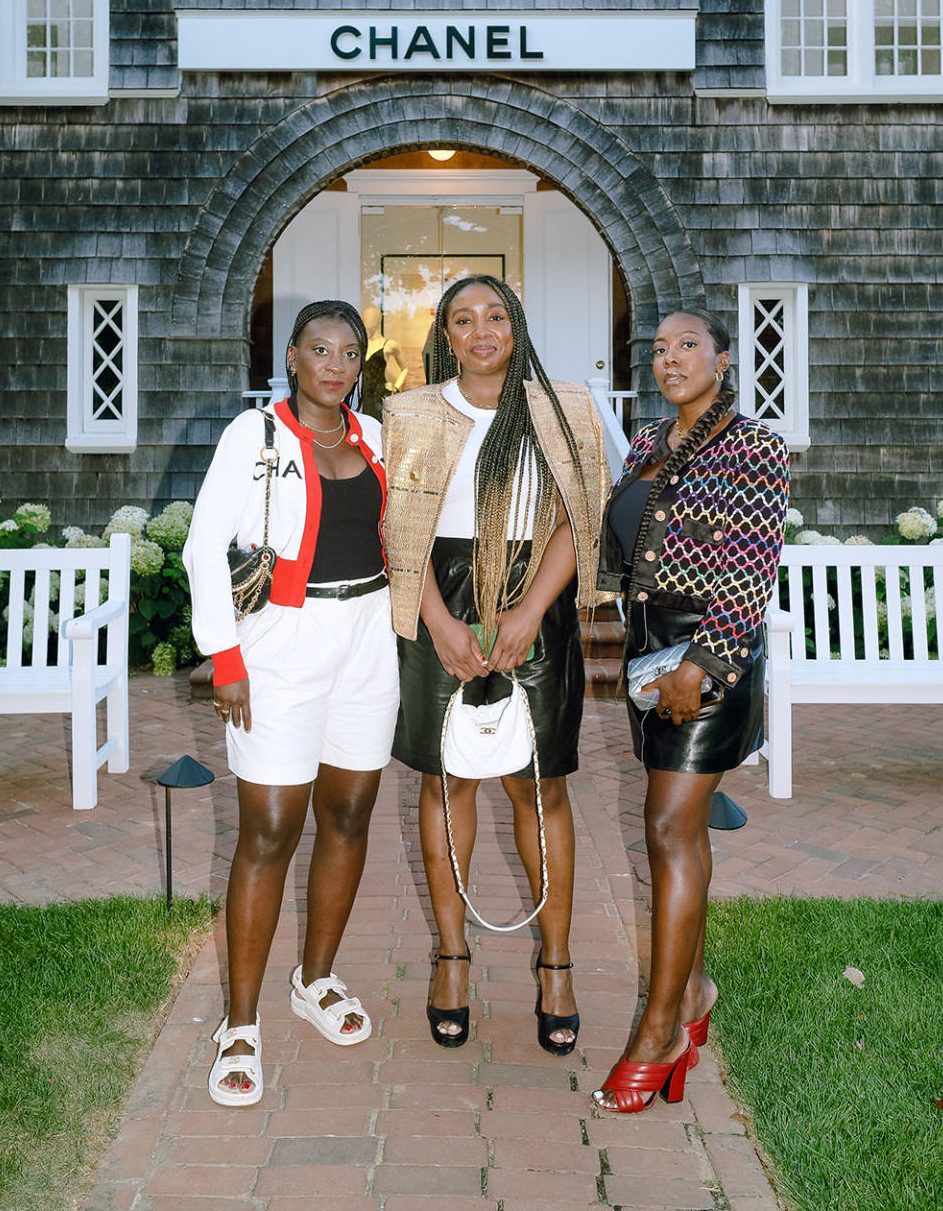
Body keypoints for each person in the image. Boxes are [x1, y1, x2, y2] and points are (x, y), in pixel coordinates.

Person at [382, 276, 610, 1055]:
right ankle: (452, 957)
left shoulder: (565, 405)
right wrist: (437, 621)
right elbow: (394, 532)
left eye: (496, 316)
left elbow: (584, 518)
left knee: (538, 785)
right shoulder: (409, 414)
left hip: (534, 594)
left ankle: (556, 964)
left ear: (516, 325)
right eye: (463, 319)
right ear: (444, 333)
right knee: (447, 782)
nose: (482, 330)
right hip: (435, 597)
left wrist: (531, 611)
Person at [183, 300, 399, 1107]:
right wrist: (226, 659)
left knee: (348, 814)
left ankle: (316, 978)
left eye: (349, 351)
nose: (335, 365)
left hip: (368, 638)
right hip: (282, 647)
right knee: (271, 827)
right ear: (293, 358)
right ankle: (240, 1021)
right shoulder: (255, 437)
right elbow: (205, 545)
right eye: (319, 349)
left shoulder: (374, 435)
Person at [592, 310, 789, 1112]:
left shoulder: (754, 446)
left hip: (708, 658)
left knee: (669, 827)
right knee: (682, 830)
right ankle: (695, 989)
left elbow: (750, 565)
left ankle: (661, 1028)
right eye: (660, 350)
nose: (670, 359)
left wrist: (703, 668)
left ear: (724, 358)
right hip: (649, 656)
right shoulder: (646, 443)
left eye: (688, 347)